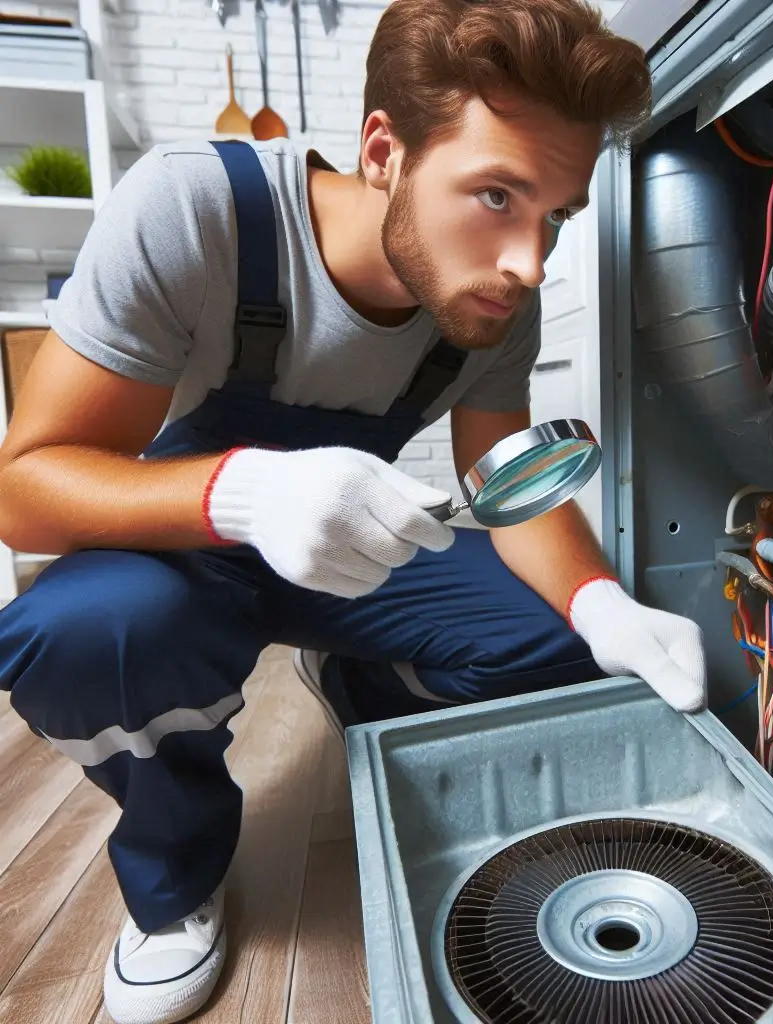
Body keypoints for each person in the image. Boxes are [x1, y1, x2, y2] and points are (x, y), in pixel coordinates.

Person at [0, 1, 706, 1021]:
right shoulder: (196, 209)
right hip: (189, 542)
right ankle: (173, 884)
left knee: (558, 640)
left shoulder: (488, 305)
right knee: (83, 635)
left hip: (352, 556)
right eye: (496, 194)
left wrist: (602, 604)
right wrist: (249, 491)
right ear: (385, 150)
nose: (528, 260)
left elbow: (505, 487)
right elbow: (25, 491)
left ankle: (360, 675)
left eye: (554, 212)